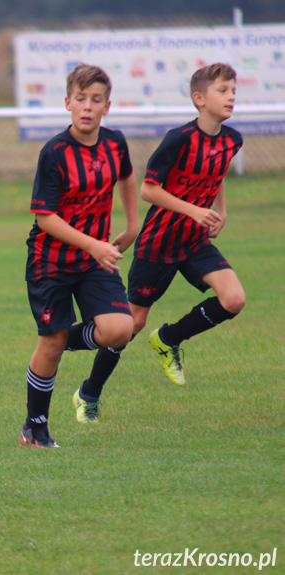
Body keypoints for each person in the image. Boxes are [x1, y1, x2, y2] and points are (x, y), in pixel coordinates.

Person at [20, 64, 139, 448]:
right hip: (50, 260)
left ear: (107, 106)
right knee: (50, 346)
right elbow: (45, 217)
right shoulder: (54, 152)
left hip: (93, 260)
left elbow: (126, 176)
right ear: (68, 103)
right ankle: (35, 429)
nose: (88, 107)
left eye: (97, 99)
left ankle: (56, 339)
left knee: (120, 329)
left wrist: (132, 226)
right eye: (81, 99)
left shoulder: (115, 142)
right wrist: (92, 243)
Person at [126, 63, 245, 386]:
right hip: (159, 240)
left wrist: (221, 211)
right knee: (131, 323)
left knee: (234, 299)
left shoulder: (232, 139)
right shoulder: (178, 138)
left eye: (234, 90)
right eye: (223, 90)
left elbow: (216, 173)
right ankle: (89, 390)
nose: (231, 97)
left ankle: (168, 338)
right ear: (199, 98)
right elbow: (148, 190)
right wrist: (194, 210)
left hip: (193, 241)